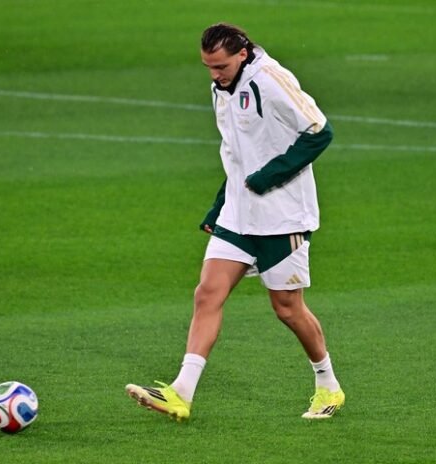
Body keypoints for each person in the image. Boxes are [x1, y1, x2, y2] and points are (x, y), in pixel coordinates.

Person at [126, 23, 344, 421]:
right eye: (208, 67)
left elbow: (319, 131)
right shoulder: (221, 89)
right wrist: (219, 205)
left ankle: (328, 384)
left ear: (242, 54)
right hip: (238, 214)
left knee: (287, 309)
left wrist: (270, 176)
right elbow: (236, 154)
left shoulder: (271, 80)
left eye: (221, 66)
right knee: (207, 293)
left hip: (281, 215)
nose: (214, 75)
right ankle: (181, 392)